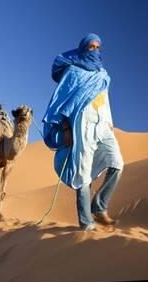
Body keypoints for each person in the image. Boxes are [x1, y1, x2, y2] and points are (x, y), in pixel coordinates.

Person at [42, 33, 124, 231]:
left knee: (118, 164)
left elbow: (106, 101)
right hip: (82, 125)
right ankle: (86, 223)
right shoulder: (73, 71)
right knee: (83, 173)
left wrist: (110, 123)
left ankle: (99, 206)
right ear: (83, 48)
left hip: (103, 125)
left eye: (98, 47)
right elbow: (61, 100)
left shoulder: (103, 75)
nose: (94, 50)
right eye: (91, 47)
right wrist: (66, 128)